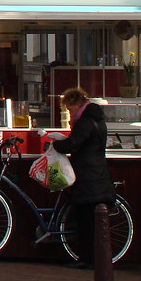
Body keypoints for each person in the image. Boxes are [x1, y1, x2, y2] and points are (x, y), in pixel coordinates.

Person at [51, 86, 114, 269]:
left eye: (70, 110)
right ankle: (93, 259)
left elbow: (74, 143)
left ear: (76, 104)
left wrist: (56, 144)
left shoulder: (86, 122)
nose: (70, 114)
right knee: (91, 221)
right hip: (96, 175)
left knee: (86, 222)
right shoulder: (95, 118)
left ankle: (88, 260)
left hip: (89, 178)